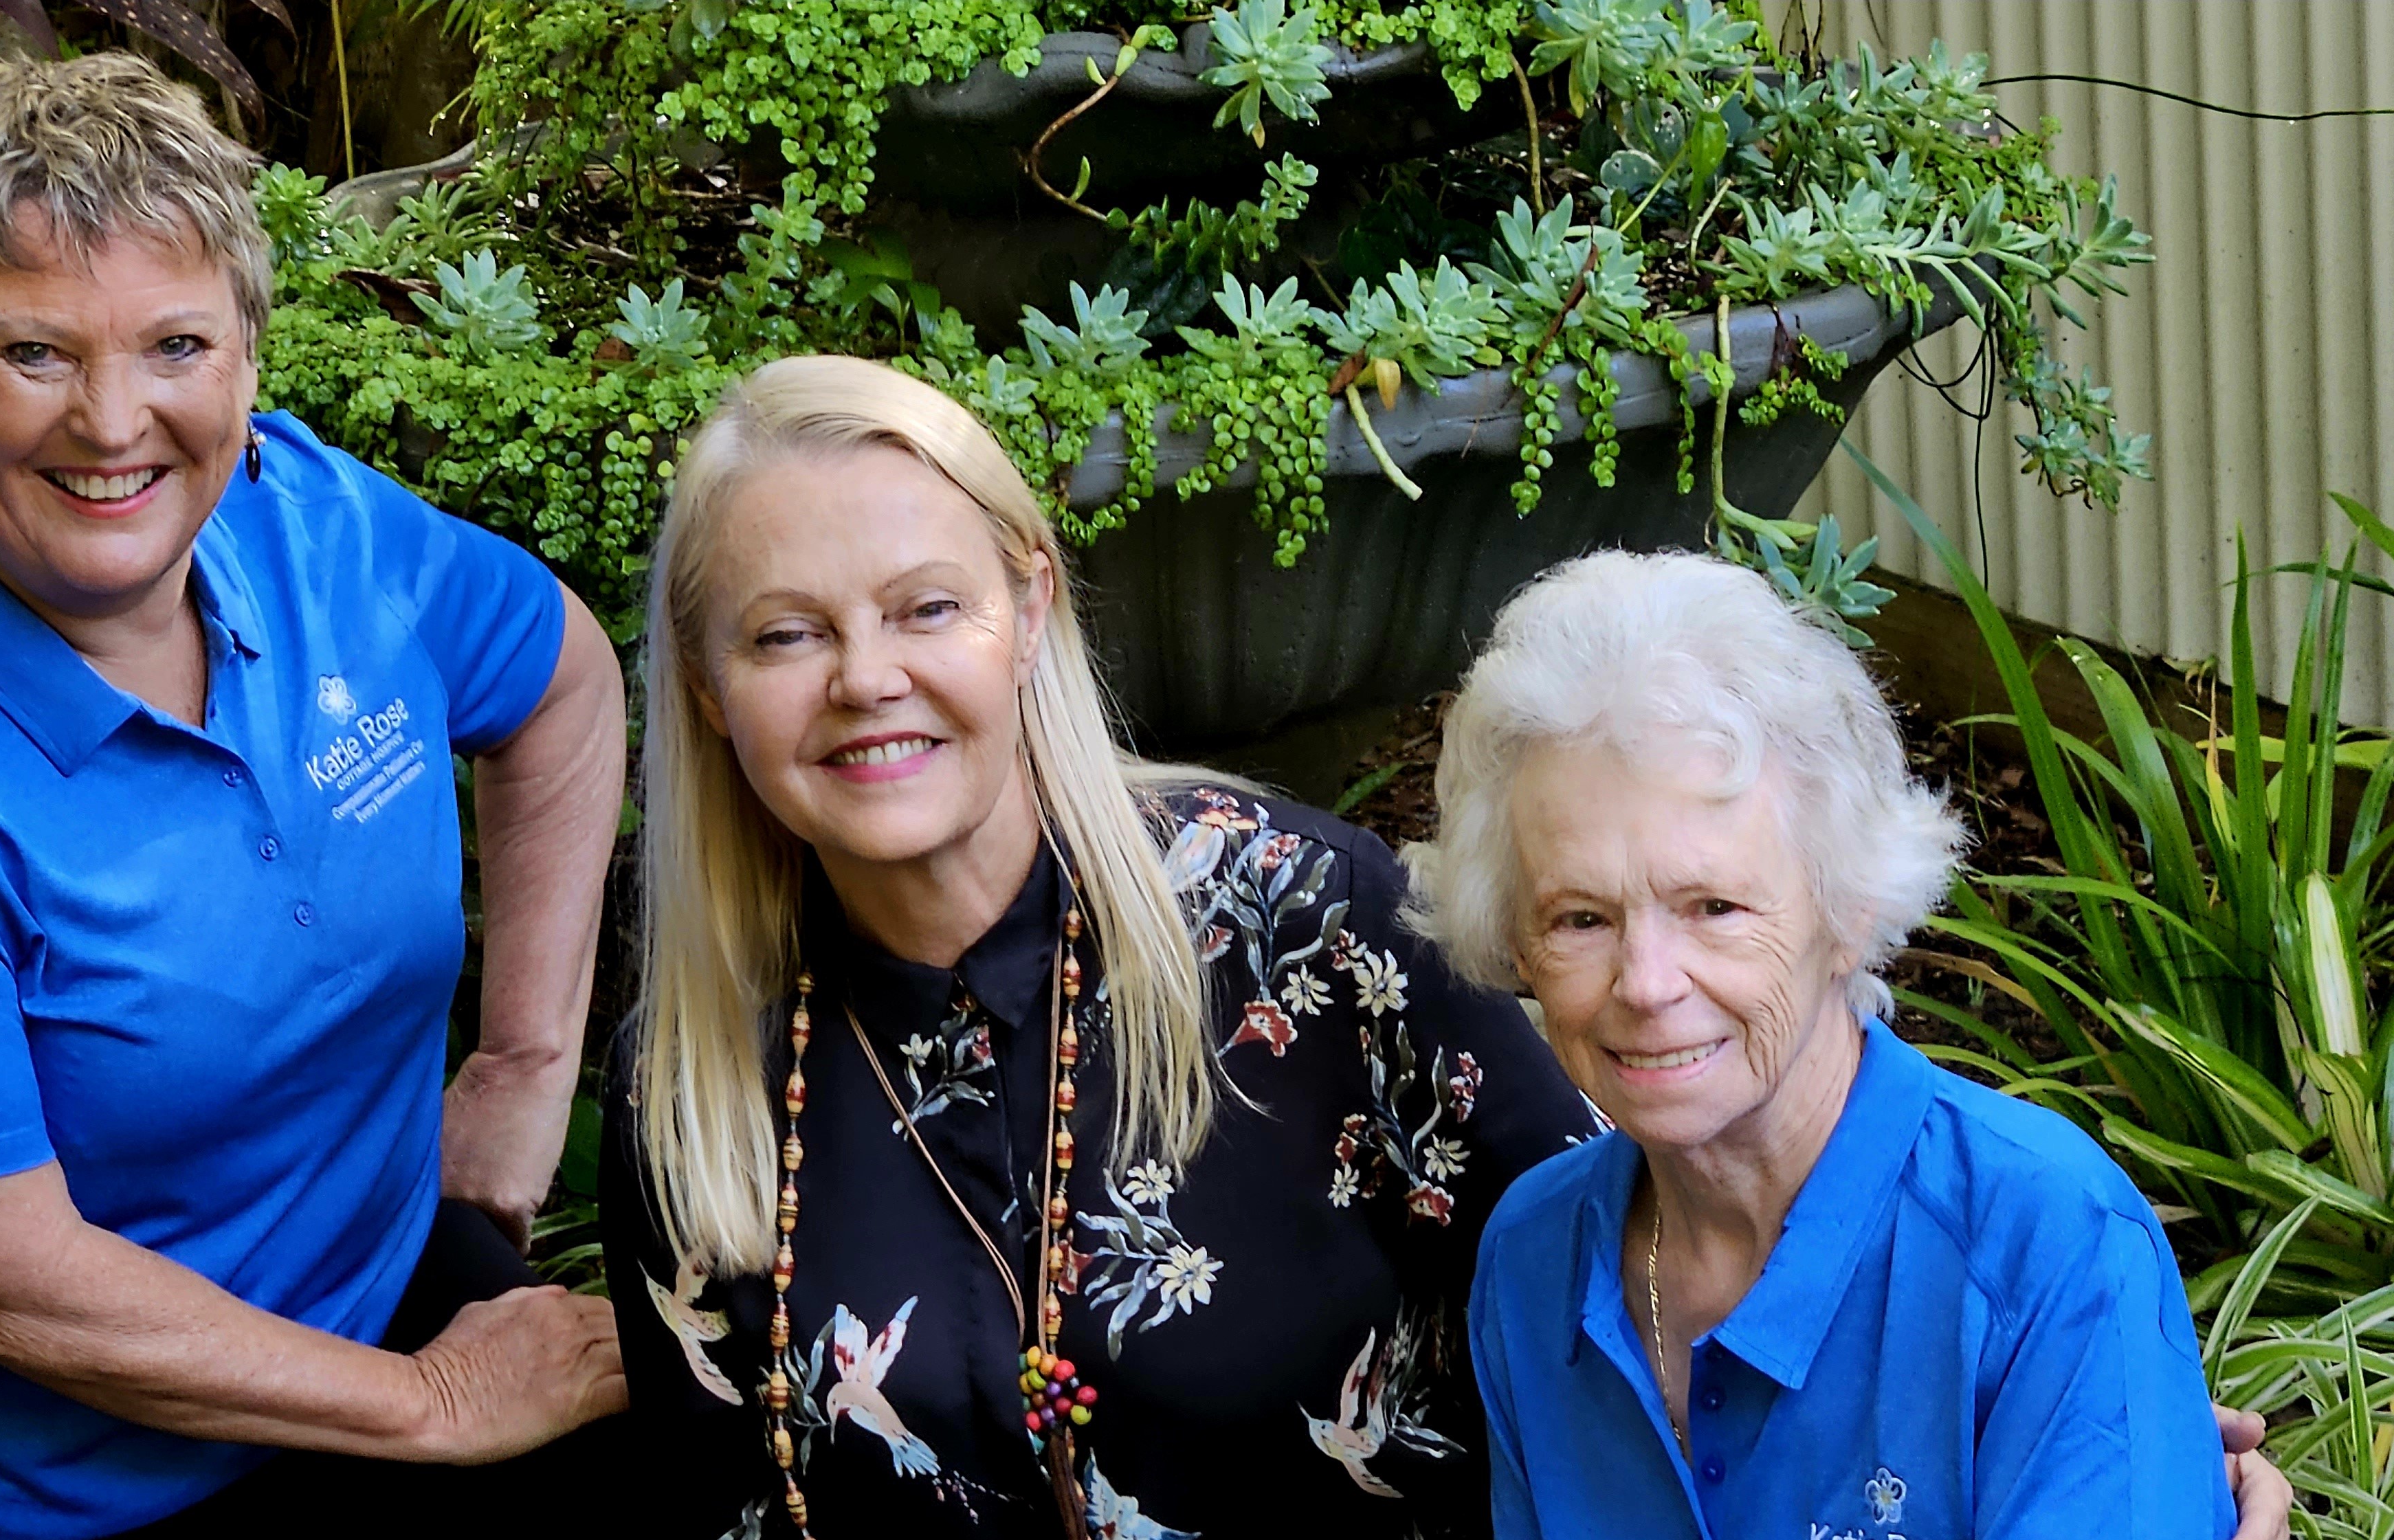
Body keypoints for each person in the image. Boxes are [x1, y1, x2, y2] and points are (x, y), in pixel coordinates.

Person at [0, 54, 628, 1539]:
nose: (113, 420)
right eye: (35, 352)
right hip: (29, 1496)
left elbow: (563, 684)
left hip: (382, 1303)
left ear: (248, 351)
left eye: (176, 343)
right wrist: (436, 1403)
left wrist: (521, 1067)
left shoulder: (314, 527)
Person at [597, 354, 1599, 1538]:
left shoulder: (1311, 922)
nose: (866, 677)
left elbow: (1607, 1314)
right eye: (787, 634)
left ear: (1029, 612)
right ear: (708, 686)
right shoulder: (689, 1082)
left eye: (927, 608)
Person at [1424, 549, 2289, 1537]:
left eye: (1714, 907)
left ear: (1850, 911)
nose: (1647, 983)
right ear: (1517, 944)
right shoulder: (1532, 1261)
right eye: (1581, 918)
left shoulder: (2046, 1248)